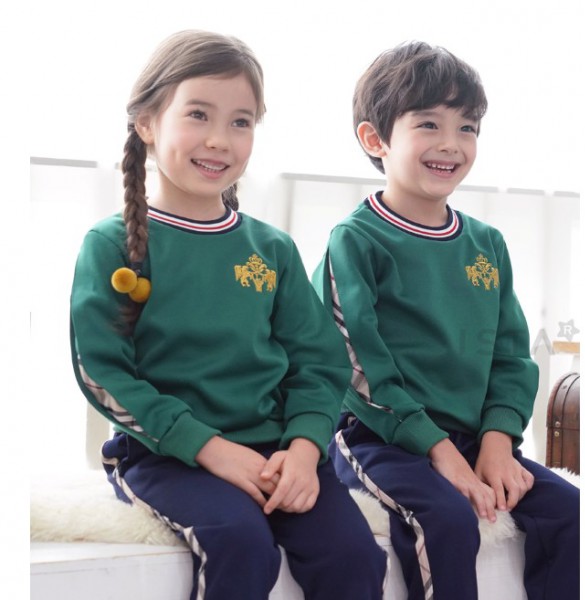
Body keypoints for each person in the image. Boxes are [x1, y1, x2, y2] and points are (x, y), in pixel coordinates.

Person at [70, 30, 387, 600]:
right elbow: (102, 371)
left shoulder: (273, 249)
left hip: (279, 452)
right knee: (241, 543)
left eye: (241, 122)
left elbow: (319, 364)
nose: (220, 140)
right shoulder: (110, 244)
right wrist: (209, 449)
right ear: (147, 123)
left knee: (354, 556)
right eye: (198, 114)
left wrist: (305, 449)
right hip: (165, 455)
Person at [312, 40, 580, 600]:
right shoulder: (354, 241)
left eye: (467, 127)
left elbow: (510, 355)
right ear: (375, 139)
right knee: (448, 521)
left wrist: (498, 441)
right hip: (379, 439)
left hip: (474, 437)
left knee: (572, 512)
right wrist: (441, 454)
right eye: (429, 124)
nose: (451, 144)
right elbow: (356, 366)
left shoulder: (487, 244)